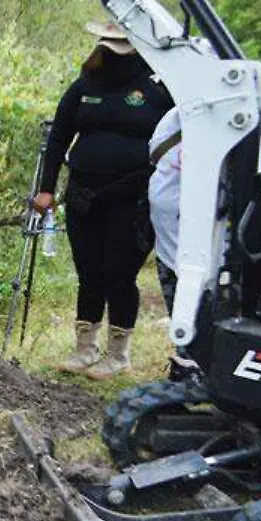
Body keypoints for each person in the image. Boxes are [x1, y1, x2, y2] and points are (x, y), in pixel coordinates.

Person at [34, 22, 173, 379]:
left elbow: (182, 135)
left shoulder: (158, 88)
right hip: (84, 194)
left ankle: (118, 354)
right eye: (107, 47)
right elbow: (59, 138)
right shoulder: (84, 86)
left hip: (132, 196)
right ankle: (84, 350)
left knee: (119, 273)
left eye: (119, 47)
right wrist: (46, 189)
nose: (111, 54)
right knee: (89, 272)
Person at [148, 106, 203, 382]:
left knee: (205, 297)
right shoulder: (172, 118)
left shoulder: (232, 115)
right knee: (177, 296)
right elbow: (154, 152)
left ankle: (197, 361)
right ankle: (186, 359)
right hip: (168, 229)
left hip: (206, 230)